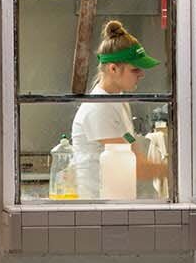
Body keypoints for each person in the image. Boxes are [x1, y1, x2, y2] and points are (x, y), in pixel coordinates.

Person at [71, 19, 166, 200]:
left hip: (114, 200)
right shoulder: (99, 108)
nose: (142, 74)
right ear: (113, 68)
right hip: (96, 205)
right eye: (135, 70)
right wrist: (177, 172)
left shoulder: (118, 100)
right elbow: (134, 167)